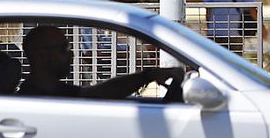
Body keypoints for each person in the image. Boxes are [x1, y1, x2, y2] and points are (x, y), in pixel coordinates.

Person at [17, 24, 185, 99]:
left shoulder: (54, 90)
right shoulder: (37, 97)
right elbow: (99, 94)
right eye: (64, 49)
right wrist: (146, 76)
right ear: (41, 55)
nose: (71, 54)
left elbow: (96, 93)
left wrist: (148, 75)